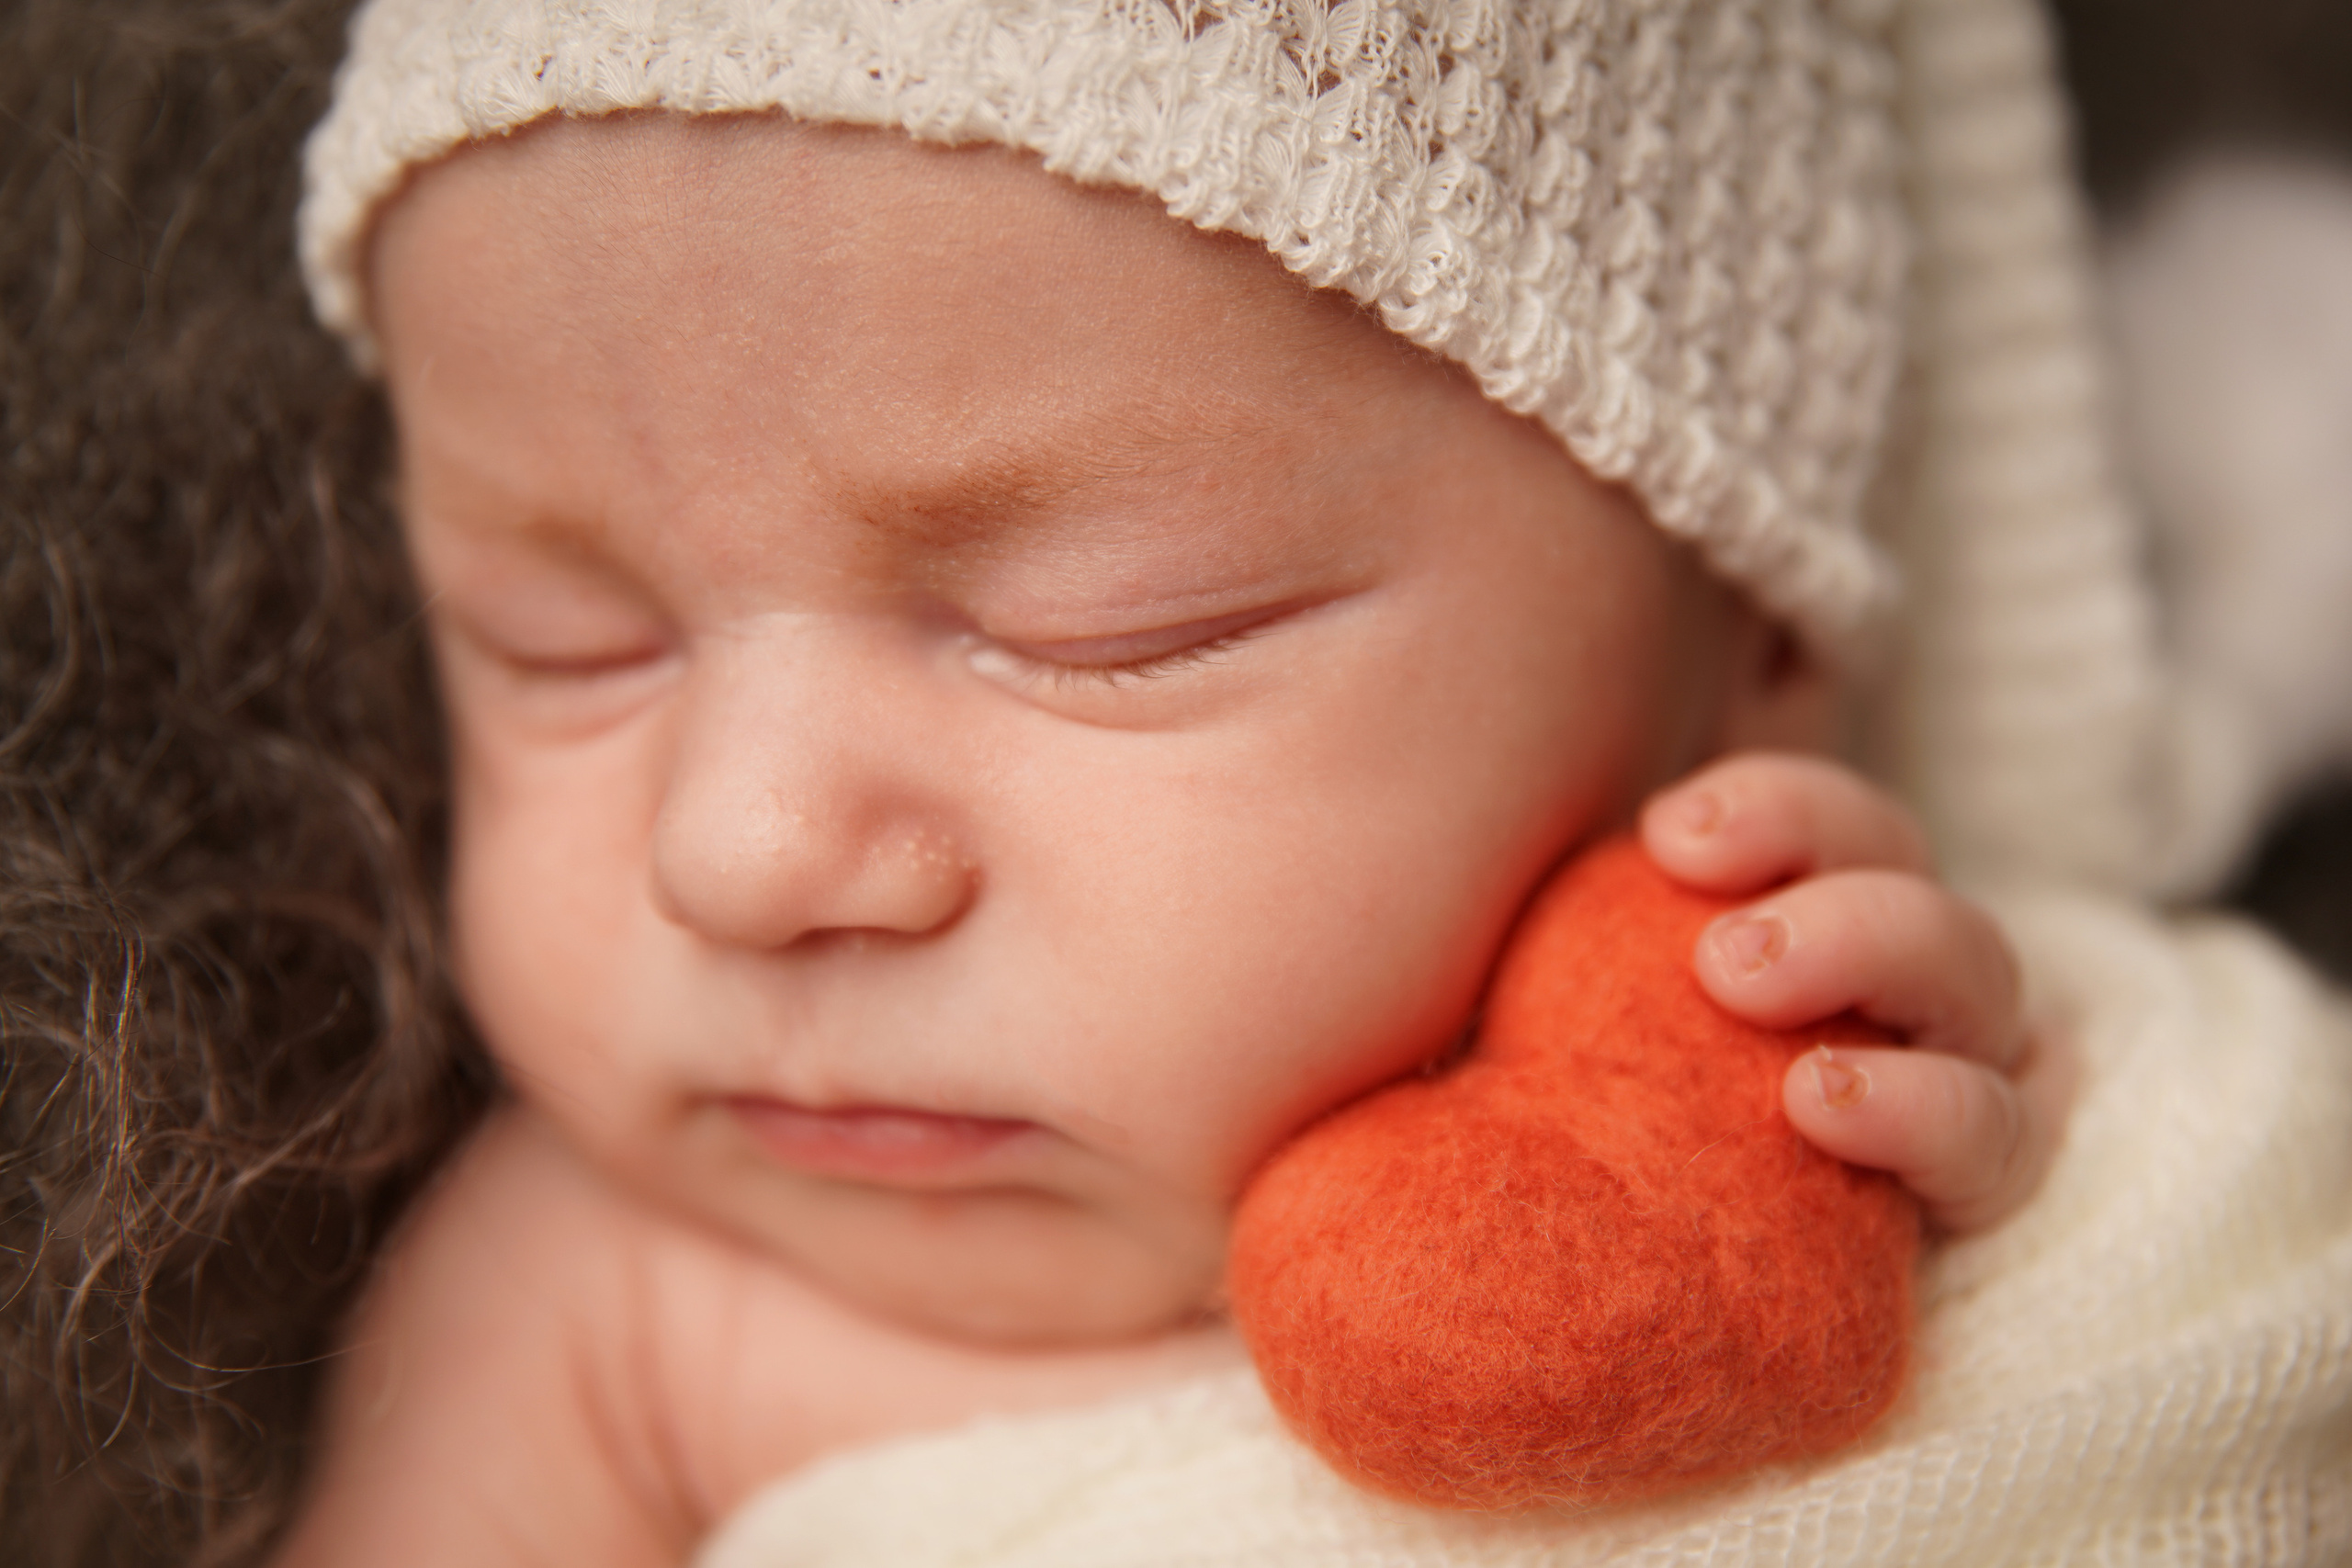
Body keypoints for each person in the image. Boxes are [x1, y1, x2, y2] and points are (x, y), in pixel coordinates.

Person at [32, 0, 2352, 1562]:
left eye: (1105, 628)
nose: (736, 850)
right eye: (568, 644)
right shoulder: (609, 1305)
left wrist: (1969, 1147)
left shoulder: (1845, 1007)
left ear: (1746, 643)